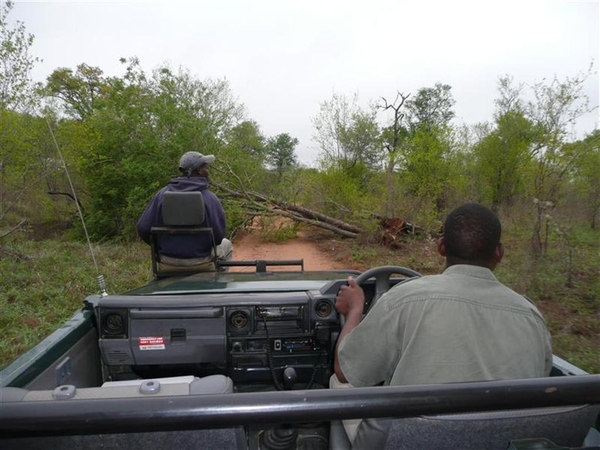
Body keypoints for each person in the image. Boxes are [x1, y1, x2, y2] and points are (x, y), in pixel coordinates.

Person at [332, 202, 552, 448]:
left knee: (340, 383)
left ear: (441, 247)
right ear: (499, 253)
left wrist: (355, 310)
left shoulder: (403, 299)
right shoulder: (532, 317)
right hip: (500, 441)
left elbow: (345, 369)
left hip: (409, 441)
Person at [136, 151, 233, 268]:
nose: (208, 172)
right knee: (226, 244)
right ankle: (219, 281)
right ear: (199, 171)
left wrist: (160, 247)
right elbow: (219, 236)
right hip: (202, 262)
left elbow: (142, 228)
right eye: (206, 168)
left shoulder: (161, 195)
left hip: (167, 262)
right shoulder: (210, 198)